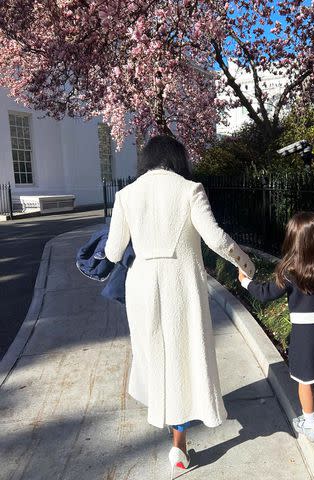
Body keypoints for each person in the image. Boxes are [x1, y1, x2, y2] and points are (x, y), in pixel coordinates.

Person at [104, 135, 255, 479]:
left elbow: (113, 253)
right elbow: (215, 238)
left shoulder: (127, 195)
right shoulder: (190, 189)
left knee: (155, 357)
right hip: (182, 286)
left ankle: (173, 434)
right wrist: (246, 263)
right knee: (184, 358)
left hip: (142, 286)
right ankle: (179, 444)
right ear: (177, 159)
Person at [238, 211, 314, 475]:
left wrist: (246, 283)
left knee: (305, 384)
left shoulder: (289, 271)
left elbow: (266, 293)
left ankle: (310, 424)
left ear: (294, 240)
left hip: (304, 340)